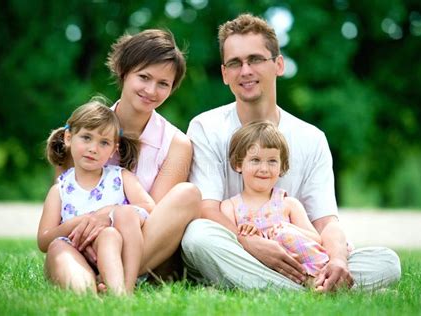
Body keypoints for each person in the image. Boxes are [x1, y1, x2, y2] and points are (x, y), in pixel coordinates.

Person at [182, 13, 401, 292]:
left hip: (299, 258)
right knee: (197, 237)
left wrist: (337, 261)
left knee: (387, 262)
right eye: (235, 63)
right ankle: (312, 290)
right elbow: (207, 209)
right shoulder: (206, 127)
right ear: (225, 74)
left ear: (279, 65)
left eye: (256, 59)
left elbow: (326, 222)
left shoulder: (312, 138)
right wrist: (249, 242)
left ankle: (316, 282)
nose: (245, 70)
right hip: (233, 248)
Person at [43, 29, 201, 293]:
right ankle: (89, 282)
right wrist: (93, 225)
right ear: (123, 71)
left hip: (136, 247)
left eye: (163, 83)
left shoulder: (176, 144)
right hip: (80, 244)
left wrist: (109, 215)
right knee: (63, 257)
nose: (151, 90)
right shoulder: (83, 130)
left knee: (188, 194)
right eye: (144, 77)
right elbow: (65, 200)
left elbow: (153, 214)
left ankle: (120, 280)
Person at [38, 99, 154, 295]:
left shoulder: (120, 177)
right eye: (86, 138)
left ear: (113, 149)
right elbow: (44, 240)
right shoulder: (60, 190)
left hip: (114, 252)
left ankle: (122, 291)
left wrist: (112, 213)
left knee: (111, 231)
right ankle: (88, 292)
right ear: (68, 137)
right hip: (74, 252)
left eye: (104, 142)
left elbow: (149, 207)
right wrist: (81, 222)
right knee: (57, 247)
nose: (93, 148)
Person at [221, 120, 329, 288]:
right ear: (238, 164)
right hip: (256, 269)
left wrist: (282, 229)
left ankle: (317, 280)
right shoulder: (230, 206)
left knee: (284, 233)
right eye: (255, 160)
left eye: (272, 161)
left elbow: (315, 239)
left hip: (298, 267)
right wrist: (246, 233)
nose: (264, 168)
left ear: (282, 166)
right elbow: (228, 244)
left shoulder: (288, 204)